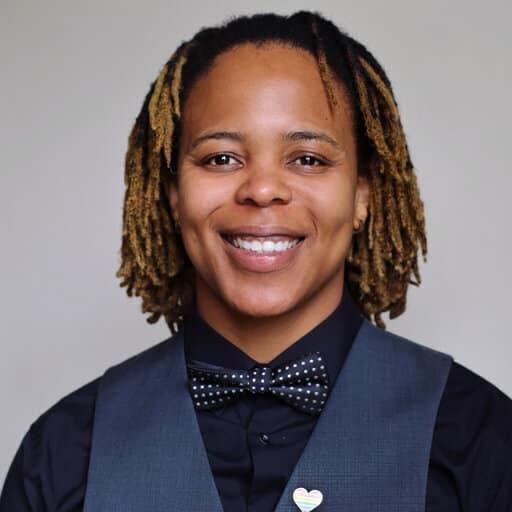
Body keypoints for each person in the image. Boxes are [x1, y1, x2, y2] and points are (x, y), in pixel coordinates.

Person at [1, 10, 511, 512]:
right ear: (174, 195)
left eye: (308, 159)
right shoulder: (67, 450)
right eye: (221, 158)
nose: (263, 189)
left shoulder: (479, 437)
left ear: (362, 195)